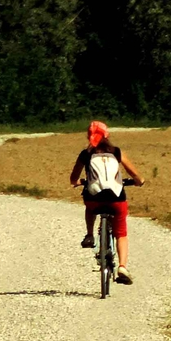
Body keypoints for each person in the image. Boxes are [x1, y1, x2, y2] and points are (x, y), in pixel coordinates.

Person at [70, 121, 141, 286]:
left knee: (89, 203)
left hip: (94, 200)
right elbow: (135, 174)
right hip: (117, 200)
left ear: (89, 136)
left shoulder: (85, 154)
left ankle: (89, 235)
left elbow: (73, 178)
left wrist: (80, 182)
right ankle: (122, 267)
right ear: (107, 135)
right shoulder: (116, 152)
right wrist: (139, 181)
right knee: (121, 233)